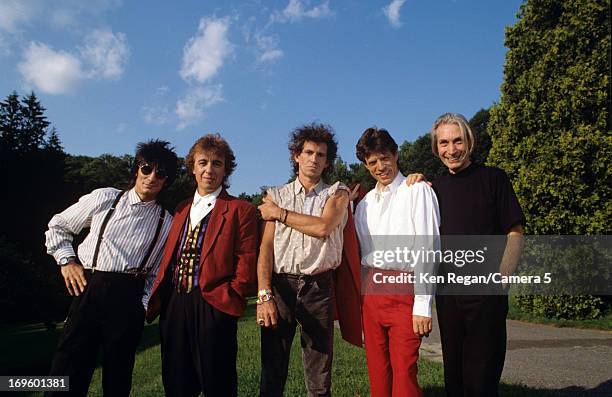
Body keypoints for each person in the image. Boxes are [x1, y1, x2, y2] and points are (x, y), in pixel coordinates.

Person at [44, 139, 179, 397]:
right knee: (68, 365)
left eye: (161, 173)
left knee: (119, 372)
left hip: (129, 297)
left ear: (167, 181)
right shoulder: (105, 198)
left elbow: (156, 274)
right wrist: (67, 261)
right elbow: (58, 225)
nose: (151, 177)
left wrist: (143, 304)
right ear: (136, 169)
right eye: (146, 168)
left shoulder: (167, 222)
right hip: (89, 286)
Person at [408, 113, 524, 397]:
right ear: (436, 148)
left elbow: (516, 231)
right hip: (448, 294)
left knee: (482, 377)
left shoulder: (494, 178)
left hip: (486, 292)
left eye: (457, 140)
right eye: (444, 143)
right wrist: (415, 181)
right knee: (455, 377)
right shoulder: (433, 189)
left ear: (469, 141)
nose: (452, 149)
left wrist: (502, 277)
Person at [146, 134, 258, 397]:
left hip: (214, 303)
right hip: (175, 303)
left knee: (217, 381)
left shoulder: (240, 209)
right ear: (193, 167)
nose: (209, 170)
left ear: (225, 170)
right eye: (203, 162)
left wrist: (230, 296)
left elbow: (246, 258)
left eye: (217, 164)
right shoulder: (181, 208)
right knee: (176, 380)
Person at [256, 123, 355, 397]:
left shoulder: (337, 192)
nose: (314, 159)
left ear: (327, 162)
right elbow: (265, 249)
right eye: (308, 152)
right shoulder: (275, 195)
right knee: (272, 368)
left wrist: (280, 214)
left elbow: (324, 227)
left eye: (321, 155)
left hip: (319, 286)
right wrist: (264, 295)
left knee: (319, 372)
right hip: (280, 285)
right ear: (296, 156)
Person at [353, 127, 440, 397]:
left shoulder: (417, 191)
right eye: (372, 162)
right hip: (372, 293)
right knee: (377, 370)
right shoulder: (364, 204)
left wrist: (423, 304)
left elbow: (429, 247)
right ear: (366, 166)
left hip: (405, 288)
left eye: (384, 158)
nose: (380, 167)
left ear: (396, 154)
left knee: (404, 371)